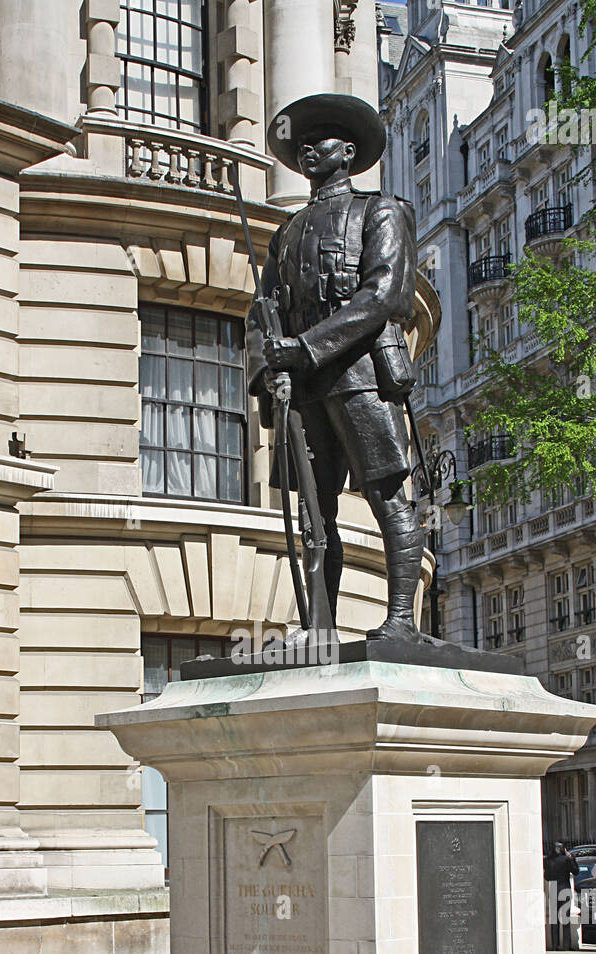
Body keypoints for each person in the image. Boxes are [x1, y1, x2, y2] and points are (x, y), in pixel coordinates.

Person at [246, 93, 423, 640]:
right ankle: (319, 624)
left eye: (318, 141)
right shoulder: (286, 232)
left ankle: (400, 620)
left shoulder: (382, 210)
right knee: (313, 513)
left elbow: (384, 296)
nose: (306, 150)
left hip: (362, 373)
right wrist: (266, 366)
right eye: (300, 144)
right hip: (302, 388)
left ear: (346, 151)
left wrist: (306, 346)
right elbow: (261, 310)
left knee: (387, 494)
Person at [543, 841, 579, 950]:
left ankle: (554, 945)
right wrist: (572, 859)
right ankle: (566, 945)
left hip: (553, 888)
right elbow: (576, 871)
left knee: (554, 919)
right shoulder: (566, 859)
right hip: (565, 888)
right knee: (565, 919)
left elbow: (547, 877)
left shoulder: (547, 860)